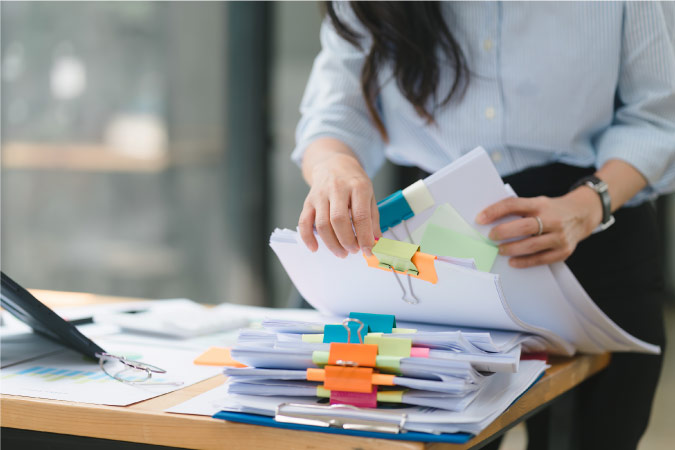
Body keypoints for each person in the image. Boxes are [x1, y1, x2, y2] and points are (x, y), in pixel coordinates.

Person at [291, 2, 674, 450]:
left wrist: (589, 203)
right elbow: (337, 112)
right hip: (435, 243)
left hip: (589, 229)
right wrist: (334, 167)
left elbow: (657, 116)